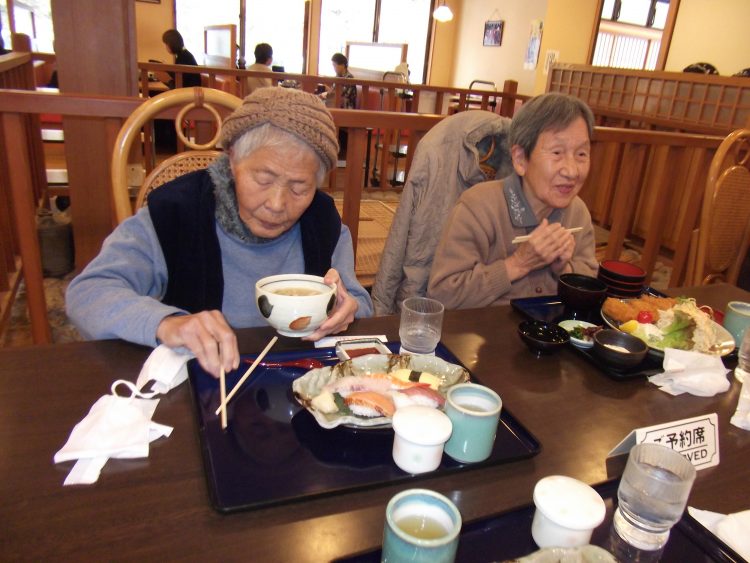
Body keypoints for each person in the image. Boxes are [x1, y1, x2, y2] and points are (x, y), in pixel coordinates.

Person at [66, 87, 373, 378]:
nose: (277, 204)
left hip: (299, 383)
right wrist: (167, 323)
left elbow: (358, 301)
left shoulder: (323, 222)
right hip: (199, 384)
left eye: (299, 188)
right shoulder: (174, 215)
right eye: (263, 180)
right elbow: (89, 292)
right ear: (232, 159)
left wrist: (348, 309)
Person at [427, 93, 598, 309]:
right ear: (520, 159)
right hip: (486, 329)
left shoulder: (578, 212)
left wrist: (564, 269)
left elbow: (589, 283)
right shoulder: (479, 207)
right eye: (557, 152)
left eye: (581, 154)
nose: (572, 171)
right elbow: (443, 295)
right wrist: (518, 263)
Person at [372, 110, 513, 315]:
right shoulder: (437, 150)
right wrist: (381, 308)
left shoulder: (520, 173)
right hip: (424, 296)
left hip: (486, 303)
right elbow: (400, 233)